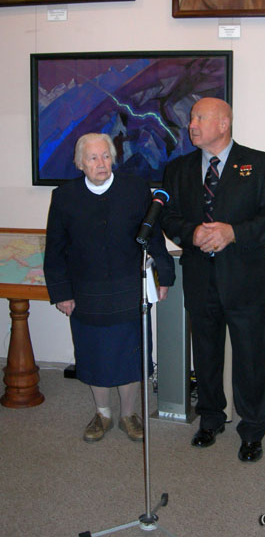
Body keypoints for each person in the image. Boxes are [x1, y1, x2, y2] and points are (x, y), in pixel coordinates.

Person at [161, 97, 265, 462]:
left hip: (245, 279)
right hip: (200, 277)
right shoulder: (178, 168)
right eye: (191, 118)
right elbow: (168, 217)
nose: (191, 124)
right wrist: (192, 233)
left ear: (224, 123)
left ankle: (253, 429)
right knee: (206, 355)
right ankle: (211, 418)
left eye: (200, 118)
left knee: (250, 358)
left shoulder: (260, 163)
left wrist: (234, 233)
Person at [44, 133, 175, 442]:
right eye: (93, 158)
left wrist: (165, 276)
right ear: (80, 163)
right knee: (94, 356)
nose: (101, 163)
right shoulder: (64, 197)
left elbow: (154, 236)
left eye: (105, 156)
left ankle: (129, 414)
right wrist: (62, 293)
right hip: (86, 292)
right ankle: (102, 413)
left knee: (130, 357)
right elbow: (55, 250)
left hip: (128, 289)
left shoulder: (136, 189)